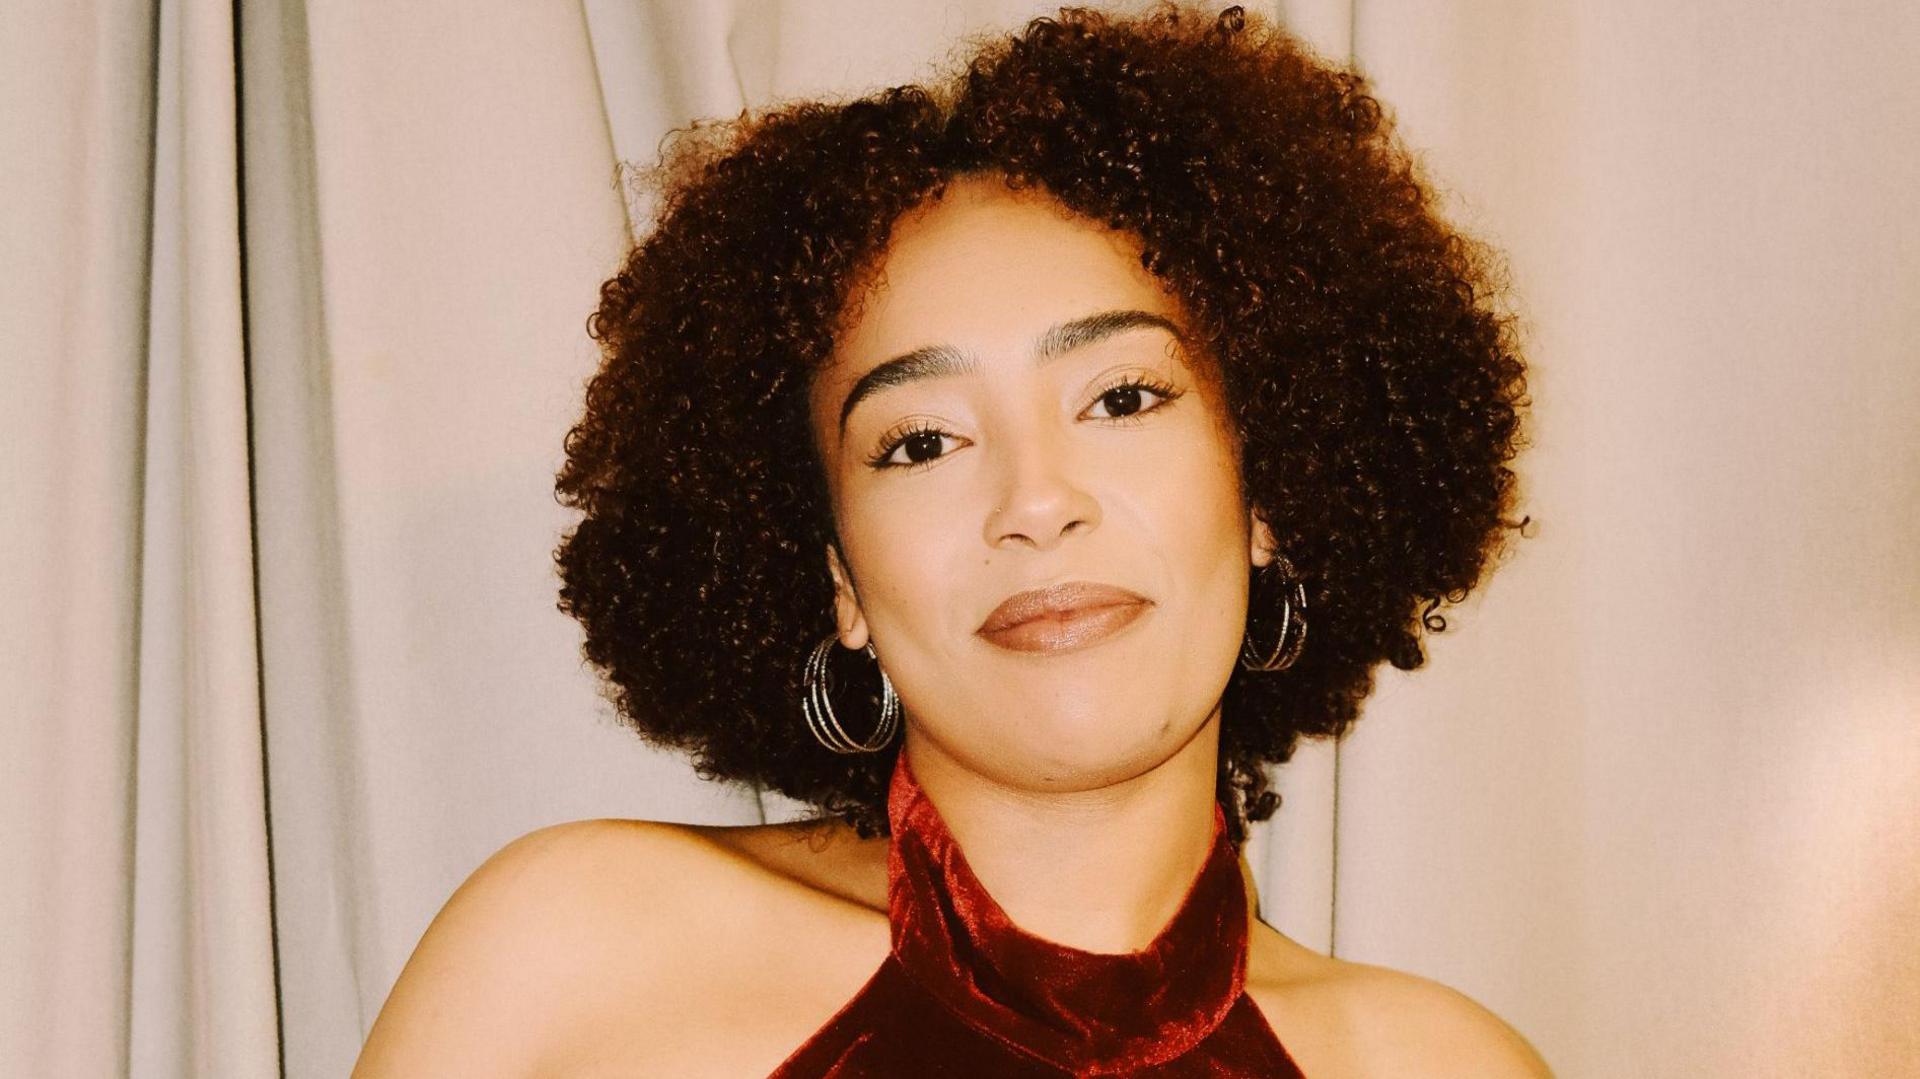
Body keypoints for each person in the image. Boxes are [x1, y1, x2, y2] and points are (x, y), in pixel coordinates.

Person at [355, 3, 1547, 1074]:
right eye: (920, 441)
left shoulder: (1442, 1061)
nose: (1035, 500)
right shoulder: (574, 959)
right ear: (839, 582)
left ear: (1267, 496)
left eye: (1122, 397)